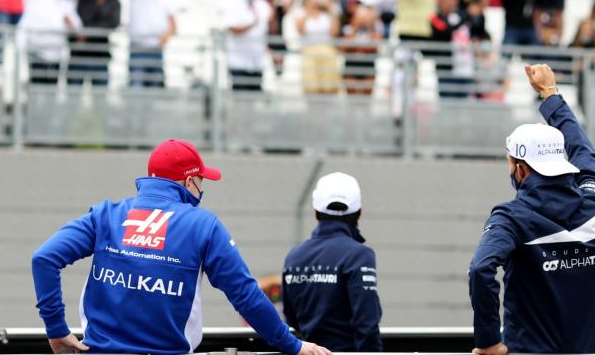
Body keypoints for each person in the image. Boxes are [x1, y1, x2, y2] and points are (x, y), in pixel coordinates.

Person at [32, 138, 333, 355]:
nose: (202, 188)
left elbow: (44, 258)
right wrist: (291, 345)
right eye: (201, 180)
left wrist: (56, 329)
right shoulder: (204, 225)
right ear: (188, 182)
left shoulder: (106, 214)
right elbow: (244, 294)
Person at [469, 63, 595, 355]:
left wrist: (487, 343)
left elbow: (481, 268)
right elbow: (584, 152)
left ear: (520, 169)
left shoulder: (512, 218)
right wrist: (551, 94)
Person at [283, 172, 381, 352]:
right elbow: (366, 323)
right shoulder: (360, 255)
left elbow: (291, 318)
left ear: (315, 212)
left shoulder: (294, 256)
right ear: (360, 211)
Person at [18, 0, 82, 84]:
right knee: (36, 87)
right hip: (37, 53)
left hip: (56, 55)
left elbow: (77, 27)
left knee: (50, 88)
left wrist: (70, 24)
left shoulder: (65, 3)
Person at [71, 0, 120, 87]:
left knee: (100, 94)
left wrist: (86, 33)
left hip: (100, 55)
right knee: (74, 91)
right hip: (79, 54)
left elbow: (112, 24)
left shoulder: (114, 3)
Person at [297, 0, 341, 95]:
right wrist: (310, 8)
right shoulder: (302, 12)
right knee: (311, 88)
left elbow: (334, 32)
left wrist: (330, 8)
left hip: (327, 51)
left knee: (329, 88)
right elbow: (300, 29)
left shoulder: (329, 13)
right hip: (309, 52)